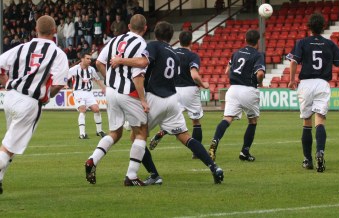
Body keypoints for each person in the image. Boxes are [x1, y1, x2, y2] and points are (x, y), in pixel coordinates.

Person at [0, 15, 69, 204]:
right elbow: (59, 84)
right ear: (54, 31)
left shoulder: (22, 47)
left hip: (11, 98)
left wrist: (8, 83)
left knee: (10, 141)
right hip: (29, 103)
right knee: (7, 148)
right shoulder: (58, 53)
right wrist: (47, 96)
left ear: (36, 30)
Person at [111, 21, 224, 185]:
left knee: (136, 136)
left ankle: (154, 174)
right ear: (171, 36)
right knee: (185, 137)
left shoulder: (154, 46)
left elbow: (143, 62)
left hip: (154, 97)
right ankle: (214, 167)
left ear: (155, 34)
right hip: (172, 99)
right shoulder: (174, 53)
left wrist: (120, 61)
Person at [85, 14, 149, 186]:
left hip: (111, 92)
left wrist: (110, 80)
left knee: (115, 132)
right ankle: (132, 175)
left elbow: (98, 62)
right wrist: (143, 99)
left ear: (128, 26)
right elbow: (140, 69)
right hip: (128, 92)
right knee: (142, 131)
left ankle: (93, 159)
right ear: (145, 28)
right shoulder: (142, 44)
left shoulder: (115, 40)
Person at [286, 13, 339, 172]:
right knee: (320, 120)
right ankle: (320, 152)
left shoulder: (302, 42)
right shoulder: (329, 44)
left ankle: (308, 160)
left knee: (307, 122)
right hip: (322, 84)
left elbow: (293, 61)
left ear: (309, 27)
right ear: (323, 27)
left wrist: (292, 80)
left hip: (305, 84)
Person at [208, 30, 265, 163]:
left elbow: (227, 70)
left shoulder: (236, 53)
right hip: (248, 89)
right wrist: (260, 83)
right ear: (257, 42)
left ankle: (214, 141)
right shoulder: (258, 55)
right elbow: (260, 74)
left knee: (227, 118)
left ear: (245, 40)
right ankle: (245, 151)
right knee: (252, 121)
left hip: (233, 89)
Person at [159, 31, 209, 158]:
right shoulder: (193, 56)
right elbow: (194, 75)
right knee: (196, 121)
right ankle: (197, 152)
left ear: (179, 41)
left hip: (174, 89)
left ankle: (162, 132)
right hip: (189, 90)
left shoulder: (172, 53)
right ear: (190, 41)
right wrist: (203, 85)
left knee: (172, 118)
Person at [68, 53, 106, 139]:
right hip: (78, 92)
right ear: (82, 59)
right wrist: (64, 85)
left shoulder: (91, 69)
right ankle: (82, 134)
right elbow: (65, 77)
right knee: (83, 109)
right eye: (88, 58)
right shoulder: (74, 69)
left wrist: (103, 88)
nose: (90, 60)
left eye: (90, 59)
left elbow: (97, 79)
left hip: (89, 93)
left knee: (96, 109)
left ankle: (99, 131)